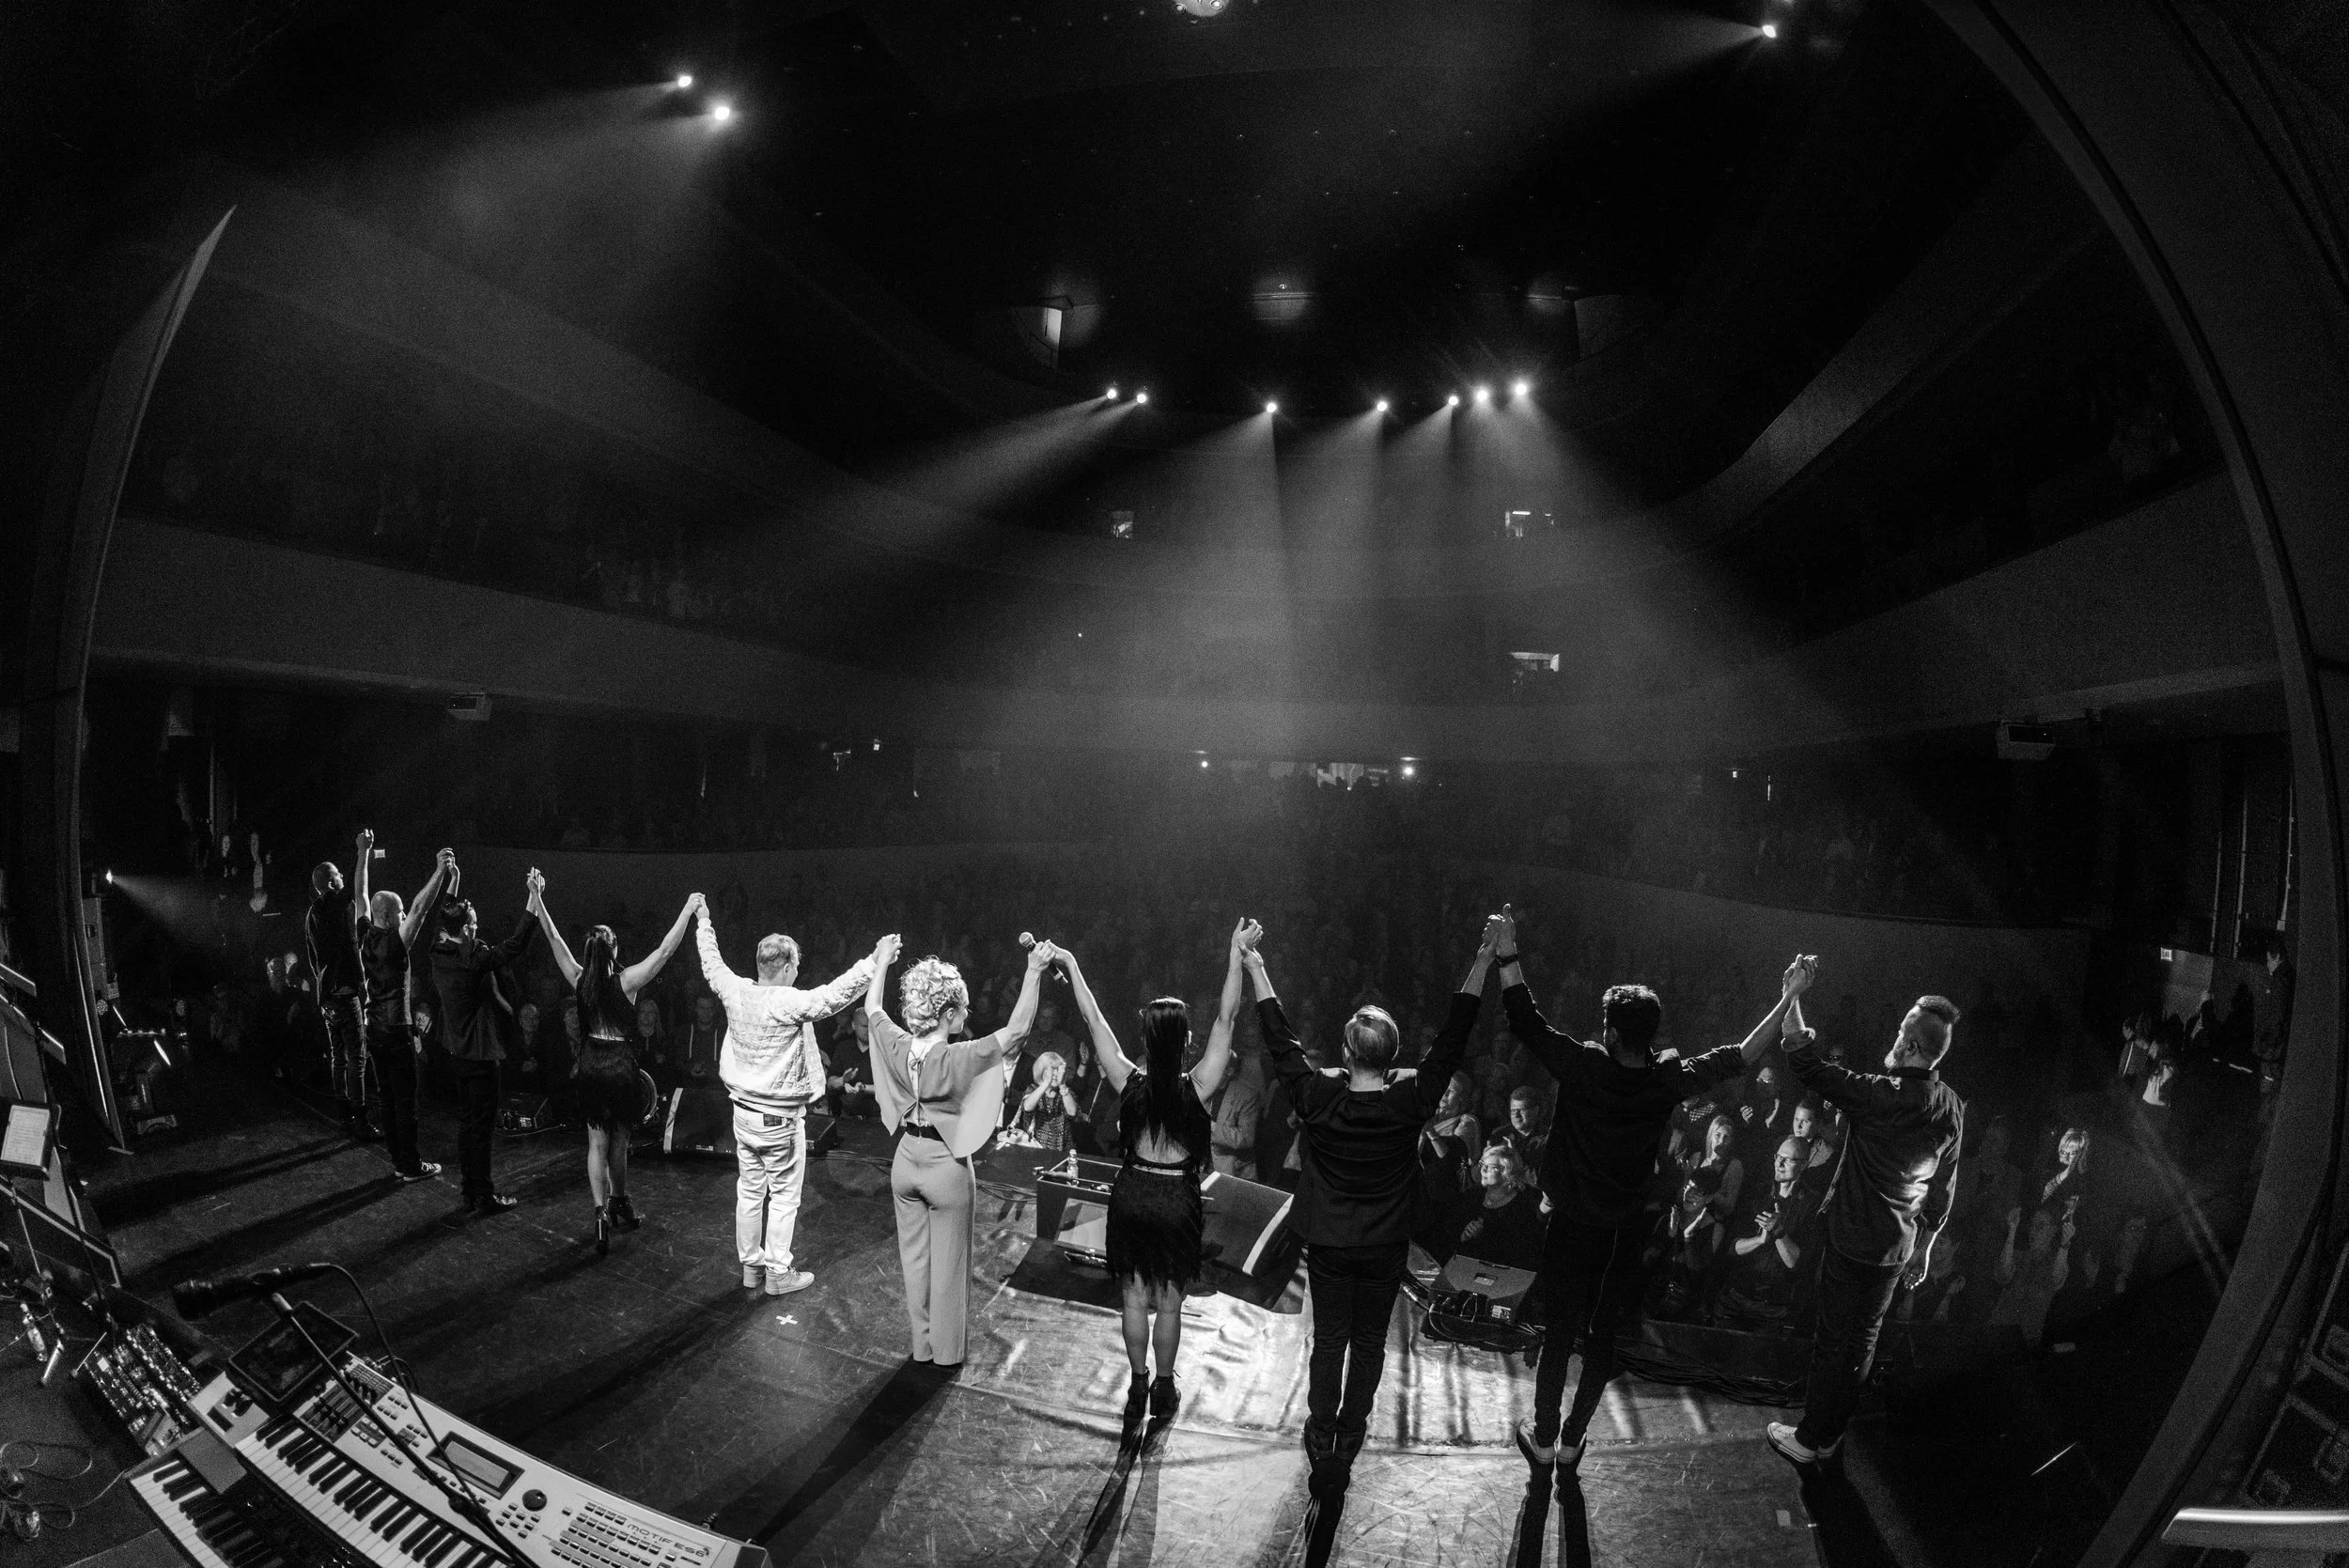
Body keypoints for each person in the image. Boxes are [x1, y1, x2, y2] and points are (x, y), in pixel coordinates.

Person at [1497, 916, 1807, 1475]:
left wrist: (1508, 952)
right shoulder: (1665, 1078)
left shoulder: (1586, 1065)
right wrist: (1789, 997)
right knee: (1601, 1334)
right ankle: (1571, 1442)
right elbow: (1743, 1053)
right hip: (1624, 1229)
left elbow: (1524, 1018)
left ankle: (1544, 1437)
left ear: (1612, 1030)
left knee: (1561, 1327)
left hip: (1573, 1226)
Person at [1244, 913, 1496, 1494]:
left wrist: (1256, 965)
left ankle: (1322, 1426)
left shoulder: (1317, 1097)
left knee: (1330, 1339)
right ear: (1395, 1057)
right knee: (1369, 1342)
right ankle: (1351, 1428)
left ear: (1344, 1053)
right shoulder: (1411, 1101)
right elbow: (1454, 1039)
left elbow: (1280, 1041)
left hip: (1331, 1244)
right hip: (1384, 1248)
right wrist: (1482, 961)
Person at [1053, 920, 1249, 1418]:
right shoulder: (1200, 1084)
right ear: (1185, 1041)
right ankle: (1164, 1388)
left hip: (1133, 1194)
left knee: (1134, 1297)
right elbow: (1227, 1019)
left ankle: (1138, 1385)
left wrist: (1072, 964)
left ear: (1145, 1038)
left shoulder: (1127, 1080)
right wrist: (1235, 956)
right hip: (1175, 1201)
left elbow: (1094, 1021)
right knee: (1170, 1301)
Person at [1766, 986, 1965, 1467]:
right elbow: (1943, 1191)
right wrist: (1925, 1248)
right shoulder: (1951, 1105)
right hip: (1896, 1249)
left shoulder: (1879, 1095)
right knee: (1864, 1342)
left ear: (1914, 1047)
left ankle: (1809, 1438)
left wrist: (1793, 992)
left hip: (1853, 1242)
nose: (1895, 1036)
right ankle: (1832, 1434)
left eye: (1902, 1031)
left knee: (1833, 1342)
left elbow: (1805, 1061)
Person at [866, 933, 1041, 1368]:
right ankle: (945, 1355)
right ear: (947, 1013)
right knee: (950, 1268)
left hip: (905, 1159)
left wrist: (882, 960)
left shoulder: (897, 1043)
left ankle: (921, 1348)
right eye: (962, 1007)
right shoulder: (959, 1055)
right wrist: (1034, 971)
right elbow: (1018, 1029)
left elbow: (872, 1010)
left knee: (916, 1265)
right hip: (945, 1166)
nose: (968, 1012)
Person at [697, 903, 875, 1296]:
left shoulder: (737, 989)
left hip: (742, 1115)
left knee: (749, 1191)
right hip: (777, 1120)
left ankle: (751, 1269)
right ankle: (778, 1272)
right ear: (788, 967)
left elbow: (711, 962)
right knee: (782, 1199)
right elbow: (834, 996)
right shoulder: (785, 1001)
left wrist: (705, 921)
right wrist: (874, 962)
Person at [535, 884, 696, 1253]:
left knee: (596, 1143)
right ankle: (618, 1200)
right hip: (620, 1067)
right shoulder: (627, 982)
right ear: (615, 951)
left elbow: (554, 938)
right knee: (619, 1145)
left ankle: (599, 1212)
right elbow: (665, 951)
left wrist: (539, 899)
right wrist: (686, 910)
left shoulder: (578, 979)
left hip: (591, 1066)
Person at [427, 868, 540, 1215]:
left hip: (457, 1050)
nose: (477, 925)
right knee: (482, 1127)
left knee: (467, 1123)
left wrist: (453, 880)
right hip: (479, 1053)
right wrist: (534, 897)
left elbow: (442, 912)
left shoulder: (438, 948)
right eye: (473, 922)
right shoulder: (474, 959)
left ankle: (468, 1192)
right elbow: (517, 944)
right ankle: (484, 1194)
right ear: (464, 930)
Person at [352, 836, 452, 1184]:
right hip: (396, 1032)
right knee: (405, 1102)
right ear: (388, 915)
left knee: (387, 1100)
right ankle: (410, 1165)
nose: (403, 915)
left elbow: (360, 895)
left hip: (373, 1030)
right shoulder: (395, 943)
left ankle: (398, 1160)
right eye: (398, 912)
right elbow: (421, 909)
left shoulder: (363, 933)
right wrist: (439, 870)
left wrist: (363, 854)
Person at [1711, 1137, 1819, 1332]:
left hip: (1772, 1310)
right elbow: (1732, 1247)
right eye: (1778, 1156)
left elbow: (1796, 1264)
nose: (1779, 1163)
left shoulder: (1810, 1206)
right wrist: (1760, 1240)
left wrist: (1779, 1233)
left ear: (1803, 1165)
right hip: (1735, 1299)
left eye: (1788, 1159)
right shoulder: (1757, 1193)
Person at [306, 842, 376, 1139]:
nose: (342, 878)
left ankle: (344, 1117)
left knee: (338, 1056)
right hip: (345, 993)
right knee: (357, 1057)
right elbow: (360, 891)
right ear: (331, 882)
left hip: (327, 997)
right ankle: (360, 1121)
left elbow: (313, 958)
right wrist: (363, 854)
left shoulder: (311, 914)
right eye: (337, 875)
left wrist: (323, 997)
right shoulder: (336, 903)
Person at [1455, 1144, 1545, 1269]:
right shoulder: (1473, 1194)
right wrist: (1464, 1236)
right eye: (1482, 1165)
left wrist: (1484, 1233)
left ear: (1507, 1172)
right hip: (1469, 1266)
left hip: (1505, 1271)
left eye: (1491, 1167)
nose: (1483, 1170)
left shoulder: (1525, 1201)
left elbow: (1523, 1246)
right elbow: (1453, 1232)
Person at [1014, 1051, 1081, 1150]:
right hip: (1035, 1150)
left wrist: (1062, 1084)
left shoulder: (1066, 1093)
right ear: (1041, 1071)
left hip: (1062, 1153)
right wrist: (1045, 1083)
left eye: (1058, 1070)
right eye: (1052, 1069)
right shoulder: (1032, 1089)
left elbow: (1072, 1112)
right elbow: (1027, 1107)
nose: (1055, 1074)